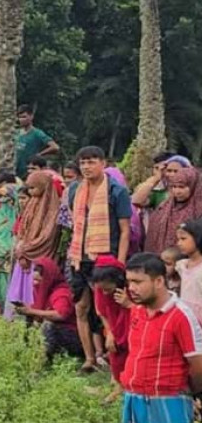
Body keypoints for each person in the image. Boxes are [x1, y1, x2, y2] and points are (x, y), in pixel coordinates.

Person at [120, 253, 202, 423]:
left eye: (138, 282)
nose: (131, 288)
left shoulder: (180, 316)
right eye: (129, 282)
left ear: (158, 281)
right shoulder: (137, 311)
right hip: (134, 399)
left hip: (167, 402)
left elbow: (198, 365)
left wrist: (192, 394)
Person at [67, 146, 132, 373]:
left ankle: (116, 356)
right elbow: (75, 224)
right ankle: (89, 358)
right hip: (79, 256)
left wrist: (120, 264)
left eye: (92, 162)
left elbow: (125, 230)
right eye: (83, 162)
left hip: (106, 258)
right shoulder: (75, 189)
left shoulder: (117, 191)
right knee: (81, 306)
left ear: (103, 163)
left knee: (108, 308)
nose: (86, 167)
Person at [6, 171, 61, 318]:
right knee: (20, 299)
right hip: (24, 257)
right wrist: (20, 250)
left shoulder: (53, 209)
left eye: (33, 188)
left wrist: (25, 250)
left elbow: (47, 236)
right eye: (28, 188)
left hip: (39, 259)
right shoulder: (31, 204)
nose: (30, 192)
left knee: (37, 296)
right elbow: (22, 229)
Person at [14, 257, 82, 364]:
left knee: (48, 325)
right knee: (22, 320)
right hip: (53, 335)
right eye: (33, 280)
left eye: (38, 280)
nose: (35, 283)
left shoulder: (61, 293)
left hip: (70, 337)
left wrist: (31, 311)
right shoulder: (40, 292)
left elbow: (61, 314)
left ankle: (43, 360)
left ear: (48, 278)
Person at [89, 255, 131, 403]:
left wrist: (128, 304)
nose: (105, 293)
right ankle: (118, 386)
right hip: (114, 325)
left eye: (108, 289)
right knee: (114, 351)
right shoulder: (100, 289)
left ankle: (125, 388)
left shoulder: (130, 288)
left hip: (131, 324)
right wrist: (110, 333)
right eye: (102, 289)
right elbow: (101, 312)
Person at [144, 167, 202, 253]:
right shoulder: (164, 207)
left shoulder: (198, 210)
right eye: (174, 186)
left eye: (182, 187)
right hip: (161, 257)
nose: (177, 191)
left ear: (193, 186)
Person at [14, 104, 59, 179]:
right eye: (20, 117)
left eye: (24, 117)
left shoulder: (37, 133)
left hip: (28, 171)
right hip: (15, 170)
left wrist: (39, 154)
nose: (21, 120)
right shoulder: (16, 133)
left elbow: (55, 147)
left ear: (31, 116)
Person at [176, 219, 202, 320]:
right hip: (186, 317)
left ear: (198, 238)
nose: (179, 243)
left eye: (183, 239)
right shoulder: (182, 266)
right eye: (178, 239)